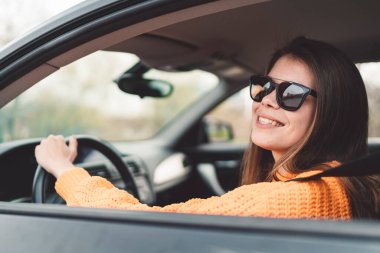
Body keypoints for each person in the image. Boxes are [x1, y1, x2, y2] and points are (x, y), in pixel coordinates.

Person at [34, 37, 379, 219]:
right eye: (265, 86)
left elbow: (142, 226)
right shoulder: (340, 184)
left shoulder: (294, 198)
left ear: (333, 112)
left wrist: (65, 169)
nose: (267, 101)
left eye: (291, 94)